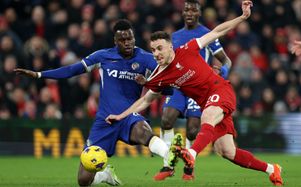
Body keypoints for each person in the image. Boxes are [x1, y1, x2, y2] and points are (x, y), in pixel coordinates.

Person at [106, 1, 283, 186]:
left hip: (220, 90)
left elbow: (216, 32)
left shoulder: (188, 49)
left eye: (159, 49)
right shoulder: (161, 75)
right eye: (152, 50)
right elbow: (145, 100)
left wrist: (243, 17)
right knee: (227, 151)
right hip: (207, 102)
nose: (156, 54)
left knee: (206, 116)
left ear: (169, 47)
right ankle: (272, 169)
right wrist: (121, 116)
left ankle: (190, 155)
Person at [14, 19, 180, 186]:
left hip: (129, 115)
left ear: (134, 38)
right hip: (104, 121)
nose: (127, 43)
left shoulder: (147, 59)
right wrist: (39, 75)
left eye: (130, 38)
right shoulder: (103, 56)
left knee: (144, 133)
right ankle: (105, 176)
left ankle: (170, 155)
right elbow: (72, 70)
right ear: (115, 41)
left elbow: (168, 90)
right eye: (122, 40)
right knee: (83, 180)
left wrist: (147, 83)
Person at [155, 0, 232, 181]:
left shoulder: (206, 34)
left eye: (193, 10)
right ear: (182, 13)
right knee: (166, 120)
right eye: (186, 10)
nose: (189, 13)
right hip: (178, 86)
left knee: (192, 130)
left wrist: (224, 70)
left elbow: (226, 60)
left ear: (199, 13)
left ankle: (189, 167)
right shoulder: (173, 37)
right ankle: (168, 163)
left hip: (198, 89)